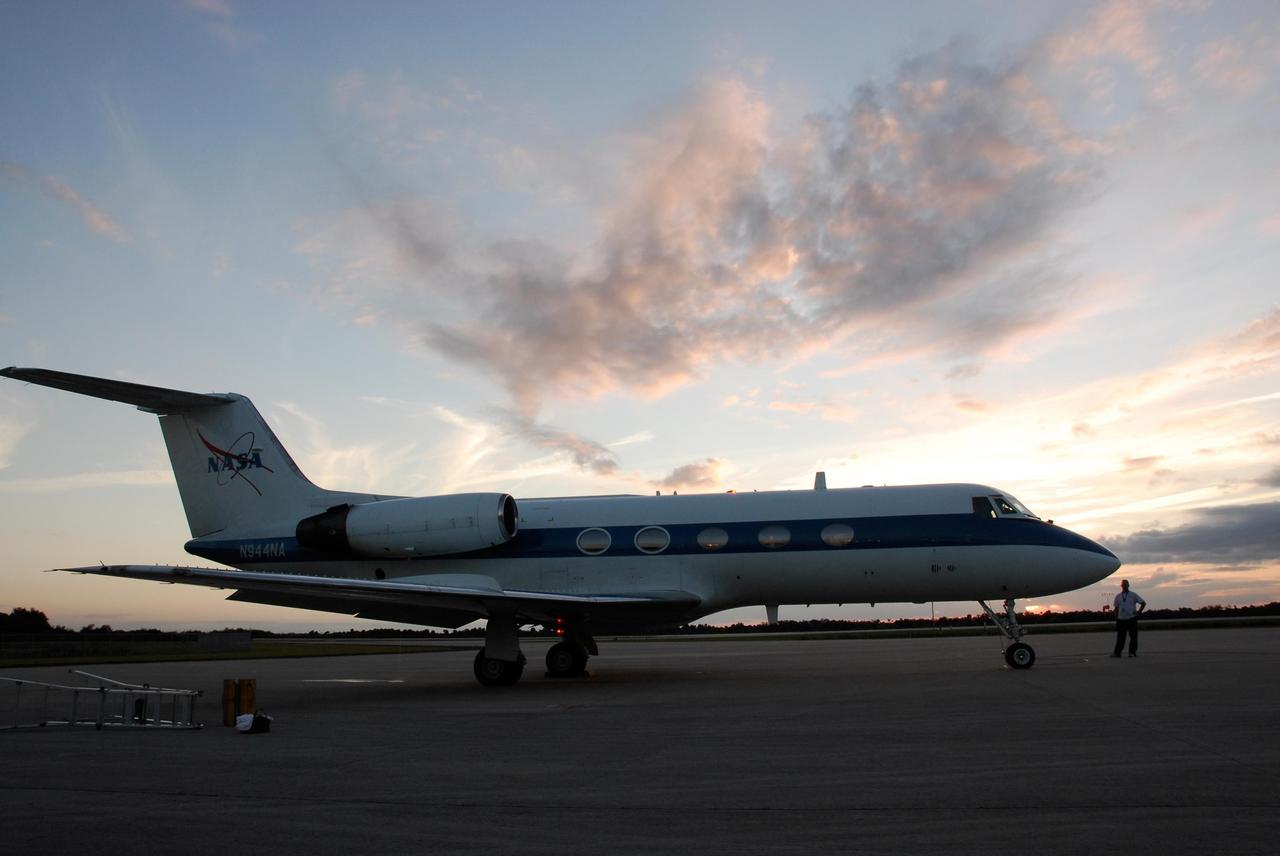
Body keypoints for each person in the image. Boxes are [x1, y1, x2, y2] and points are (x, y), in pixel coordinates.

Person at [1111, 579, 1146, 657]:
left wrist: (1138, 612)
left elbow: (1143, 603)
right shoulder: (1118, 596)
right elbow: (1116, 608)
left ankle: (1132, 652)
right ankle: (1117, 653)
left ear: (1128, 585)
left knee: (1133, 637)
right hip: (1121, 620)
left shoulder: (1133, 595)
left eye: (1126, 584)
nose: (1124, 586)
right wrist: (1116, 618)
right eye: (1123, 584)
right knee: (1120, 637)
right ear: (1121, 586)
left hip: (1131, 618)